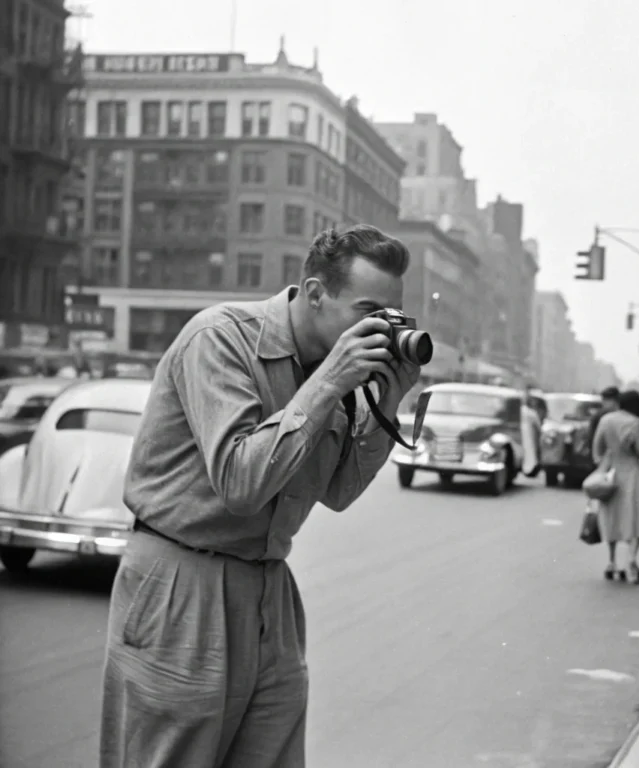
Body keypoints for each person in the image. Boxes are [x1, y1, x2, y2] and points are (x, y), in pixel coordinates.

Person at [99, 225, 420, 768]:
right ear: (316, 294)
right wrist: (326, 387)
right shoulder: (221, 338)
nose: (380, 331)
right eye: (368, 311)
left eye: (392, 317)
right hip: (183, 584)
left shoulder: (336, 373)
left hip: (270, 588)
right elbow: (240, 484)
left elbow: (339, 490)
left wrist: (387, 403)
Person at [592, 389, 639, 584]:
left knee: (611, 517)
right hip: (632, 475)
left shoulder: (605, 420)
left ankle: (611, 562)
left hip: (611, 475)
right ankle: (631, 558)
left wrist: (604, 465)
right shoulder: (634, 422)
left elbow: (596, 449)